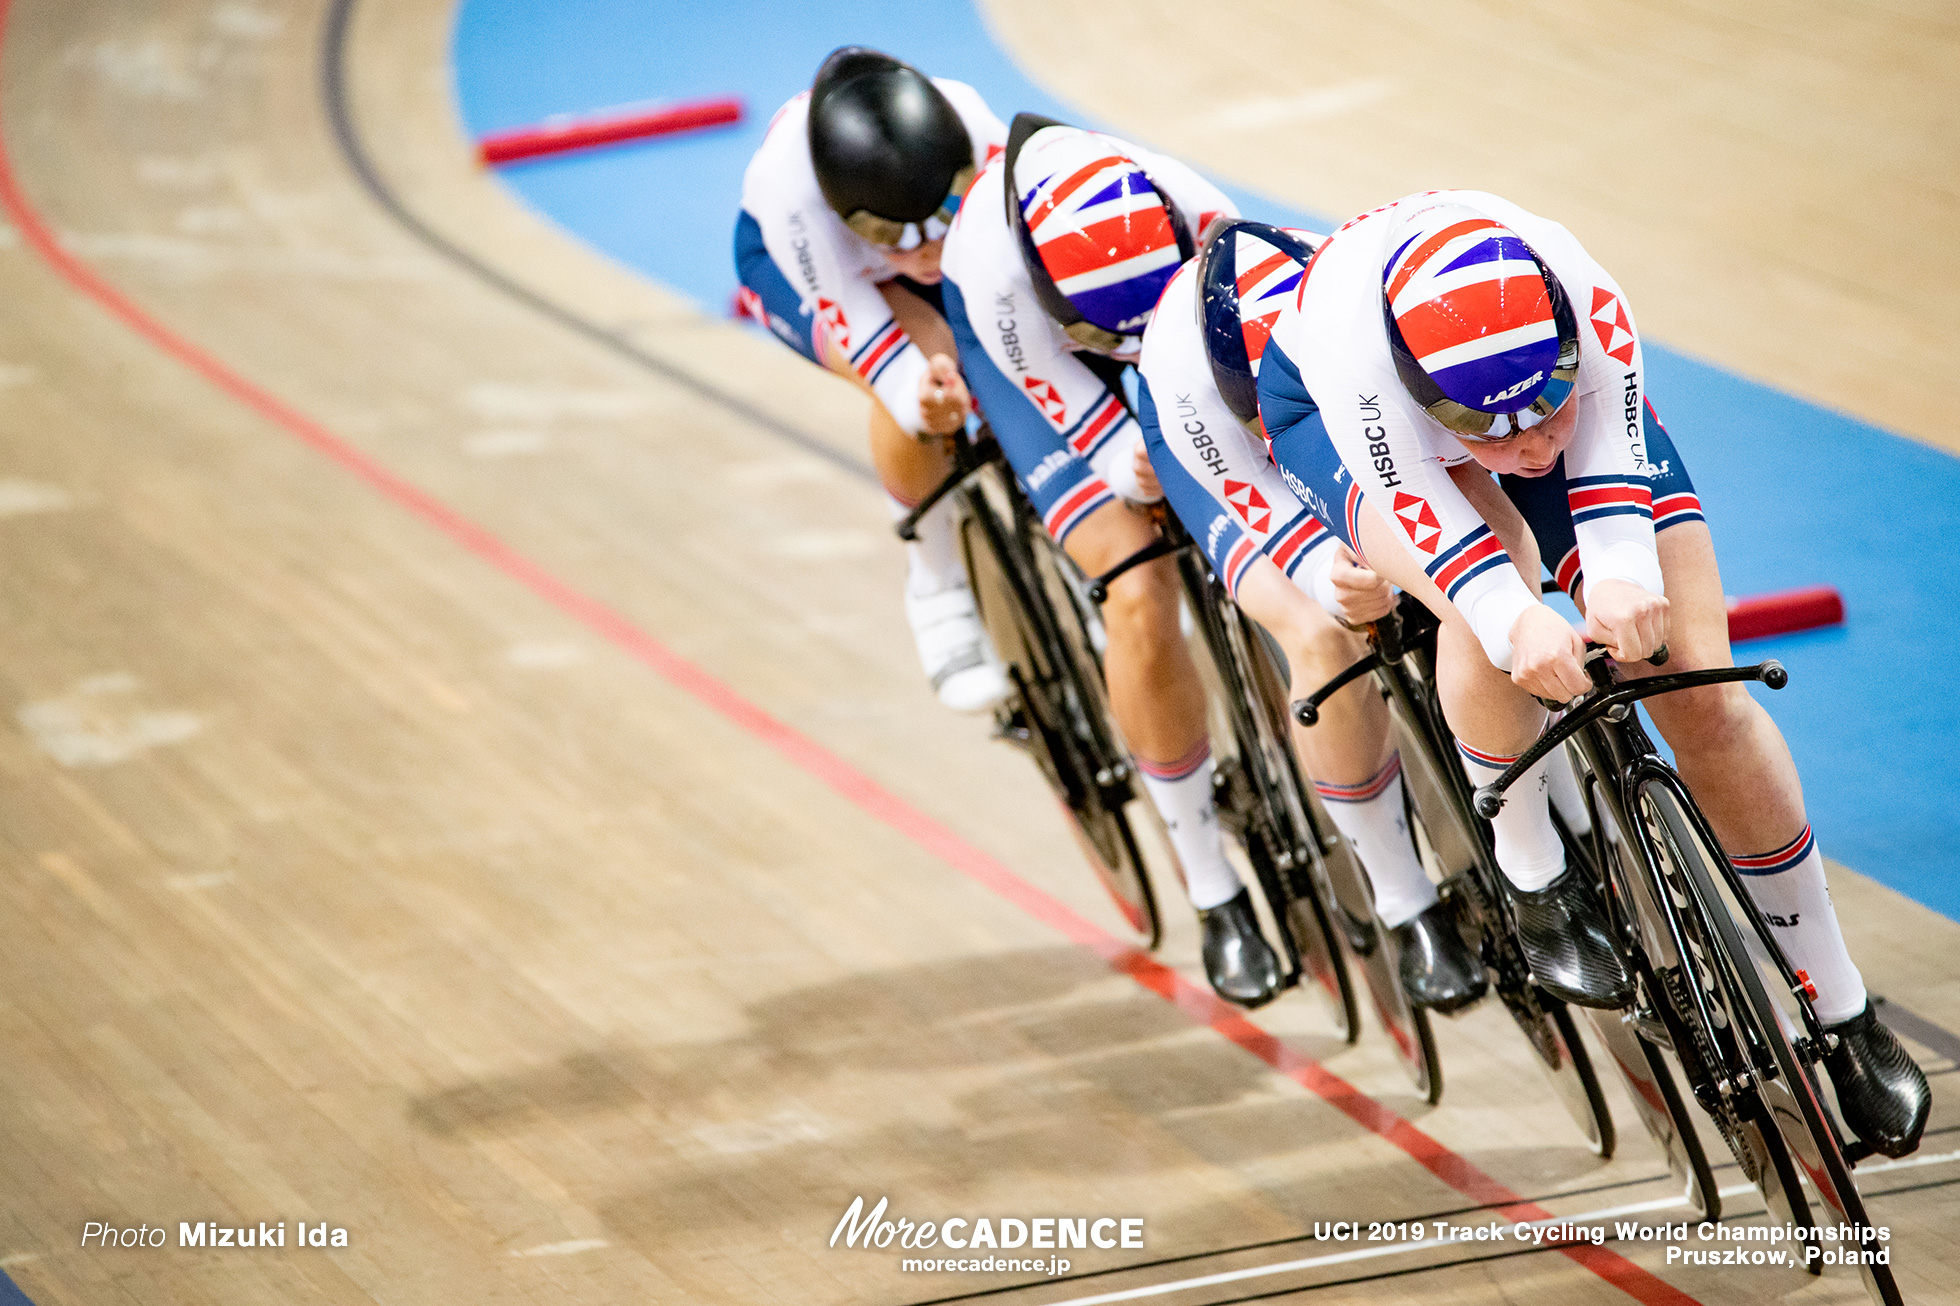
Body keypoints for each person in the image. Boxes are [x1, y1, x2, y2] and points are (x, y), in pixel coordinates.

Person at [1252, 189, 1928, 1157]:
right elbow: (1458, 557)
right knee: (1496, 588)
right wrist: (1517, 618)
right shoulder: (1363, 377)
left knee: (1699, 686)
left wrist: (1618, 583)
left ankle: (1843, 1006)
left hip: (1505, 389)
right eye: (1499, 434)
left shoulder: (1584, 296)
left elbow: (1606, 476)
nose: (1532, 445)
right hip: (1337, 425)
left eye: (1548, 408)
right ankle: (1533, 877)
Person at [1132, 218, 1486, 1012]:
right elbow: (1277, 522)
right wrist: (1338, 579)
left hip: (1347, 409)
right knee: (1321, 634)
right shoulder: (1190, 381)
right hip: (1220, 451)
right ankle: (1404, 904)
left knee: (1471, 584)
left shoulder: (1362, 311)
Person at [735, 47, 1009, 712]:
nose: (921, 249)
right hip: (810, 273)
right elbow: (872, 339)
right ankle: (934, 582)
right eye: (891, 234)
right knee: (916, 378)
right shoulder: (789, 192)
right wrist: (920, 389)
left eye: (941, 217)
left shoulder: (978, 132)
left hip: (885, 248)